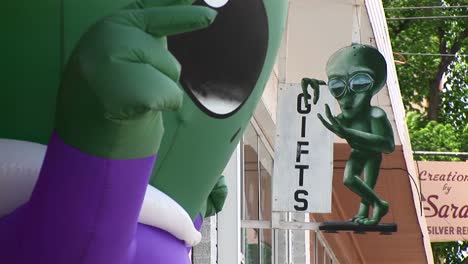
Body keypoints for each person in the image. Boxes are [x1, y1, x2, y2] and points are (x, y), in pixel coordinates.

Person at [302, 44, 395, 225]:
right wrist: (317, 91)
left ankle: (373, 209)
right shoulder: (343, 118)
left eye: (359, 83)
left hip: (372, 155)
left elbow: (387, 145)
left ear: (373, 85)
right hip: (358, 152)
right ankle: (377, 205)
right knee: (351, 180)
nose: (347, 97)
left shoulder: (375, 114)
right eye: (337, 86)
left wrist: (348, 133)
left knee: (365, 184)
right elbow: (321, 122)